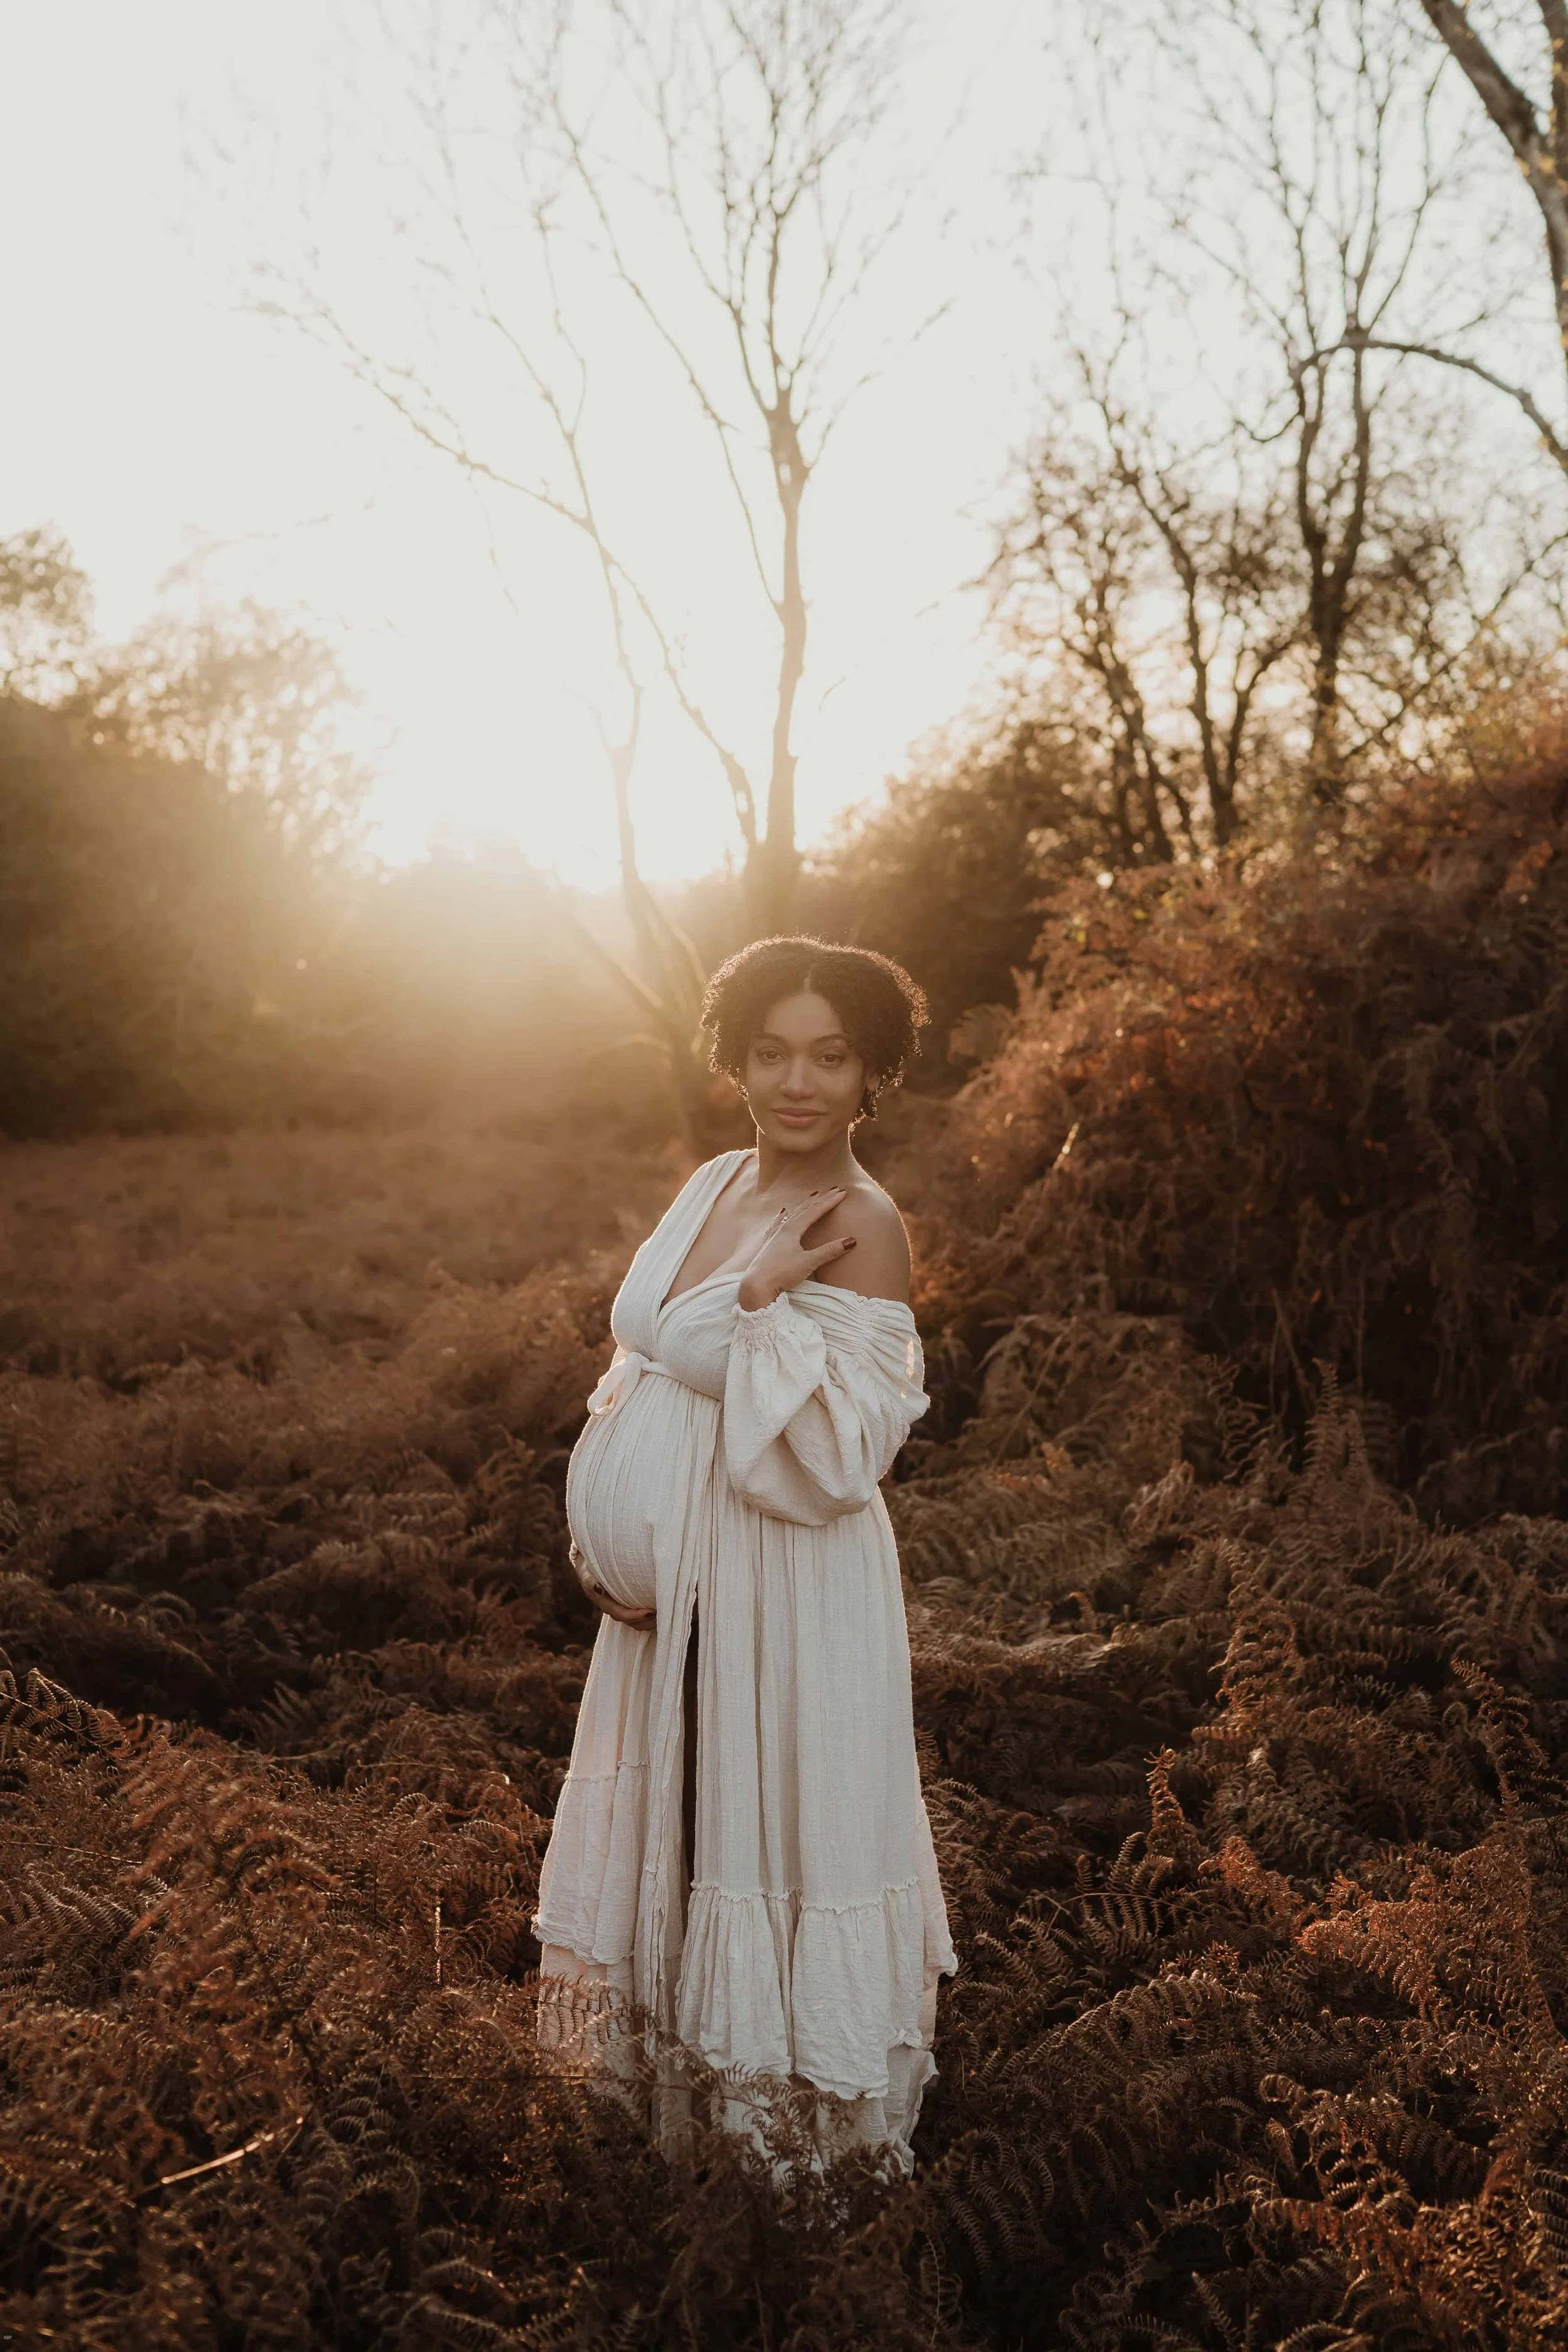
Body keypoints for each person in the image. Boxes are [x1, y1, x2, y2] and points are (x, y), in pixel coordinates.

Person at [533, 935, 955, 2172]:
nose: (797, 1081)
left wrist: (767, 1302)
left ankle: (783, 2175)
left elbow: (843, 1453)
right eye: (769, 1051)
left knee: (763, 1839)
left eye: (830, 1056)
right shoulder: (714, 1177)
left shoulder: (862, 1224)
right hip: (672, 1618)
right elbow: (649, 1352)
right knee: (676, 1837)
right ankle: (659, 2167)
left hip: (785, 1592)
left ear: (873, 1074)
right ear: (733, 1060)